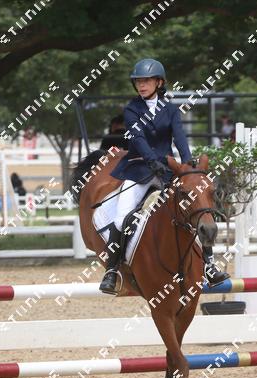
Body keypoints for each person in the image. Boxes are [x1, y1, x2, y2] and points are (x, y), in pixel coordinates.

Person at [98, 58, 229, 295]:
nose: (141, 85)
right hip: (138, 168)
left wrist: (187, 163)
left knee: (193, 208)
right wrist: (151, 161)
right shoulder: (131, 110)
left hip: (167, 168)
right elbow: (138, 139)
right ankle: (112, 270)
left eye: (146, 81)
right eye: (138, 81)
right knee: (121, 217)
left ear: (159, 82)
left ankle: (209, 264)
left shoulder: (170, 109)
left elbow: (179, 137)